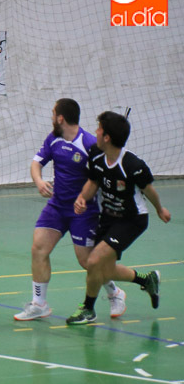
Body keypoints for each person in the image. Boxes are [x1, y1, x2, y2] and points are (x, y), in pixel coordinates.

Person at [15, 99, 126, 321]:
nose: (51, 117)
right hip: (57, 206)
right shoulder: (53, 138)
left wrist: (86, 198)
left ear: (61, 118)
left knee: (87, 261)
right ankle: (39, 304)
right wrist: (39, 181)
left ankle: (115, 292)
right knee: (39, 248)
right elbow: (36, 163)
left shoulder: (89, 143)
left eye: (53, 113)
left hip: (82, 211)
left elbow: (100, 176)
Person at [66, 111, 171, 325]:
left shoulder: (133, 165)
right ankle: (146, 280)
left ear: (107, 137)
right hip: (108, 218)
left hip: (132, 220)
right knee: (103, 270)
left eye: (99, 129)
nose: (95, 132)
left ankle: (88, 309)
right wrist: (82, 198)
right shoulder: (97, 156)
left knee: (94, 261)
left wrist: (160, 209)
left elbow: (149, 190)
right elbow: (93, 182)